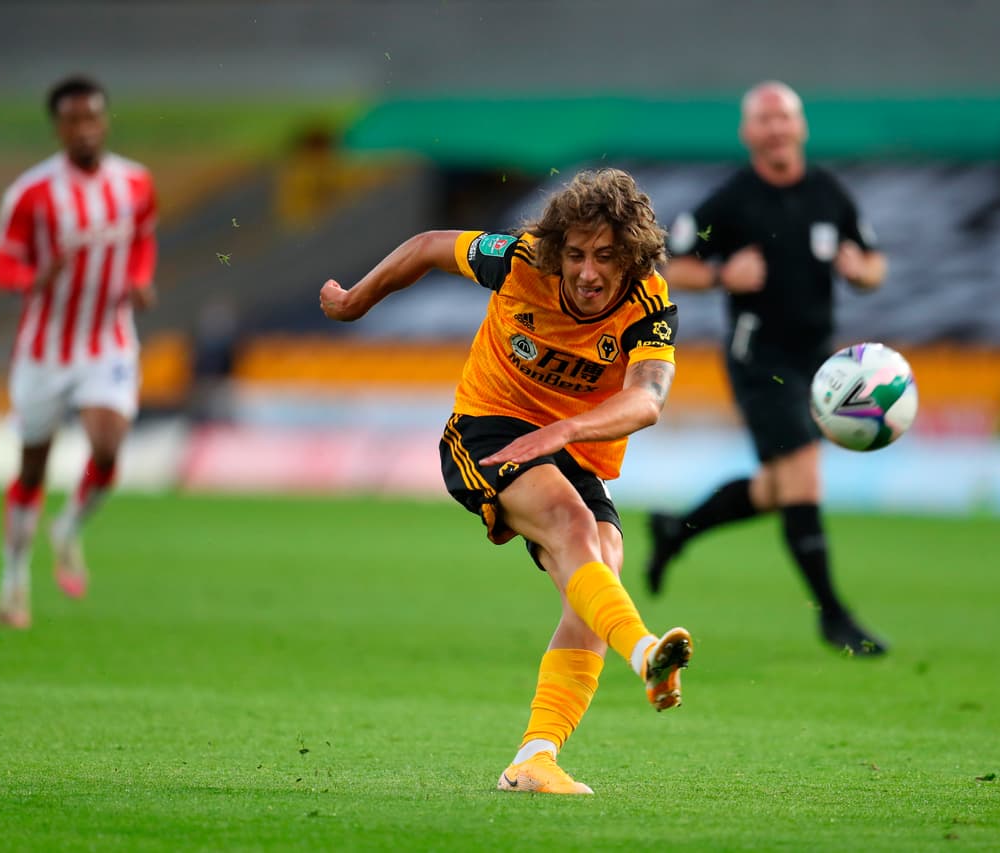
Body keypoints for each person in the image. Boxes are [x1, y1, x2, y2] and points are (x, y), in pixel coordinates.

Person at [319, 168, 693, 795]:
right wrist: (358, 299)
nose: (587, 272)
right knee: (574, 528)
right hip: (488, 431)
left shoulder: (648, 302)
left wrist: (563, 433)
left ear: (631, 254)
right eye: (575, 254)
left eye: (605, 256)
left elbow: (647, 400)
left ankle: (535, 758)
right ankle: (645, 654)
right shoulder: (521, 261)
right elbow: (430, 245)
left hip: (568, 449)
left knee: (598, 572)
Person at [646, 81, 889, 656]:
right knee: (803, 475)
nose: (777, 127)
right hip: (759, 358)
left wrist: (861, 271)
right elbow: (667, 261)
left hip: (817, 363)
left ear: (800, 127)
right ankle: (833, 615)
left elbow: (875, 262)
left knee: (781, 489)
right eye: (765, 119)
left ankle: (676, 530)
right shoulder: (732, 201)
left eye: (785, 117)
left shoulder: (829, 194)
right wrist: (722, 275)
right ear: (748, 133)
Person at [0, 75, 158, 629]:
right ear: (58, 127)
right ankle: (14, 577)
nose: (85, 129)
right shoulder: (31, 194)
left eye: (93, 117)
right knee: (32, 469)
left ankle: (67, 529)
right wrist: (35, 277)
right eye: (73, 120)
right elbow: (3, 266)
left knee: (108, 446)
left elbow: (143, 239)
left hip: (107, 336)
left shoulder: (134, 183)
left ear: (105, 121)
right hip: (44, 348)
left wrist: (139, 278)